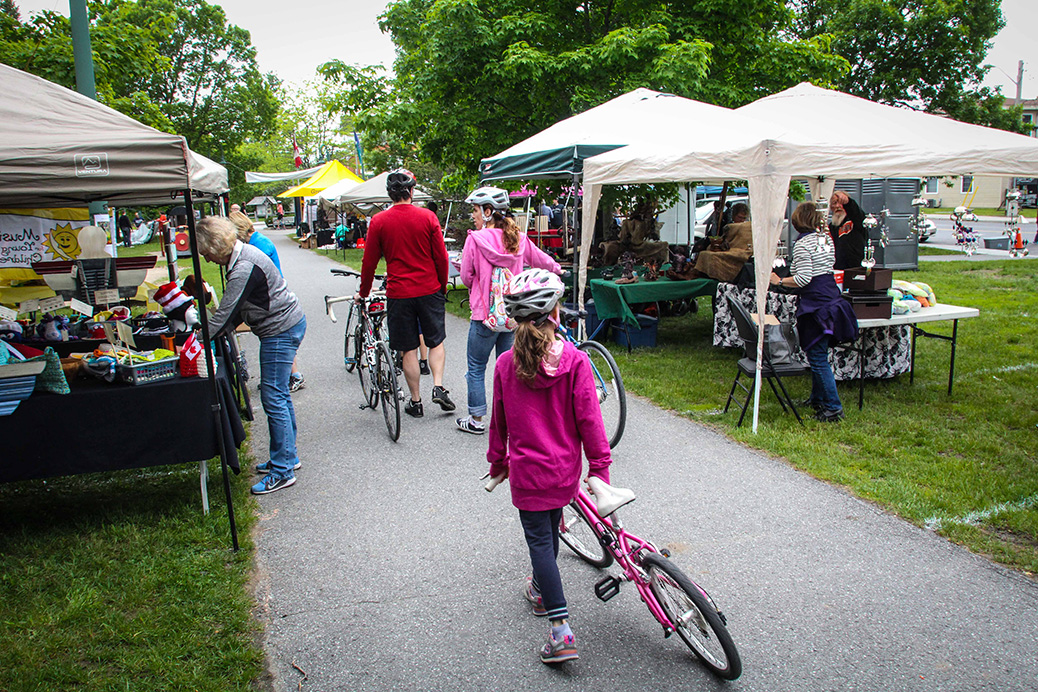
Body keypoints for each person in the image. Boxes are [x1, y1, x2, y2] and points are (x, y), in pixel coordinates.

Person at [486, 268, 613, 664]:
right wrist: (600, 470)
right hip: (564, 473)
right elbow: (590, 420)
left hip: (527, 475)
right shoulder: (574, 360)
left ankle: (560, 631)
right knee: (551, 526)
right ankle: (542, 590)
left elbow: (499, 422)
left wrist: (497, 462)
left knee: (540, 541)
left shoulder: (506, 363)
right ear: (555, 313)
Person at [195, 216, 306, 494]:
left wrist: (195, 338)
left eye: (206, 253)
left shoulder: (244, 266)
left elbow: (224, 315)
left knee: (273, 397)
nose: (206, 260)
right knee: (278, 394)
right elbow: (234, 313)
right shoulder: (242, 255)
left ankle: (283, 471)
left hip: (280, 329)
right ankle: (288, 458)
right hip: (285, 325)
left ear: (217, 246)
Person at [456, 186, 561, 434]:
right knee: (512, 369)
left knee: (476, 366)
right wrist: (558, 269)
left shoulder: (475, 239)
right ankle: (513, 420)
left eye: (475, 210)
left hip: (484, 317)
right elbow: (540, 260)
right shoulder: (519, 239)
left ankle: (476, 420)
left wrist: (478, 281)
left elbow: (466, 277)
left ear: (489, 211)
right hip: (514, 316)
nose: (474, 215)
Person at [355, 168, 454, 417]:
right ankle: (438, 386)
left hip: (399, 292)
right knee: (435, 341)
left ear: (390, 194)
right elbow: (441, 257)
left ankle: (415, 401)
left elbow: (369, 263)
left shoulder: (379, 222)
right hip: (429, 288)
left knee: (408, 348)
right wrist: (442, 285)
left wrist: (364, 292)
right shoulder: (428, 217)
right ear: (411, 191)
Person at [770, 202, 859, 423]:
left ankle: (833, 408)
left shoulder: (801, 246)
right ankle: (818, 398)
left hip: (817, 306)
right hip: (831, 298)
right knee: (820, 354)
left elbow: (803, 279)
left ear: (797, 221)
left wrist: (779, 280)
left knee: (817, 357)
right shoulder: (826, 239)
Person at [229, 210, 305, 392]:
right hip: (275, 302)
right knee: (280, 345)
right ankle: (287, 376)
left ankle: (293, 376)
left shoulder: (258, 246)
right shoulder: (257, 241)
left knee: (280, 342)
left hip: (274, 304)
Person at [600, 198, 669, 266]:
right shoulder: (628, 222)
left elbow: (654, 236)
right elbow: (625, 238)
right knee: (611, 247)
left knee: (663, 245)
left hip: (642, 244)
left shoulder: (649, 223)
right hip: (630, 244)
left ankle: (660, 263)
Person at [828, 190, 868, 270]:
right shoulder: (831, 227)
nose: (837, 206)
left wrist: (848, 202)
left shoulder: (855, 220)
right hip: (837, 269)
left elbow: (856, 213)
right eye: (834, 203)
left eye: (840, 202)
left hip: (855, 268)